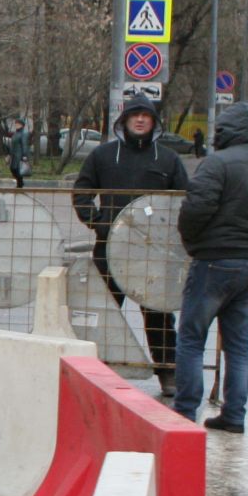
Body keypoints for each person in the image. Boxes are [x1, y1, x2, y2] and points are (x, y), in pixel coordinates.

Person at [171, 102, 248, 432]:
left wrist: (194, 243)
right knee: (238, 345)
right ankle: (235, 415)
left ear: (227, 131)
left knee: (192, 338)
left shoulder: (217, 164)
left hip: (213, 262)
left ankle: (183, 414)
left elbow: (195, 210)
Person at [73, 95, 190, 394]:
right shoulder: (103, 156)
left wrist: (173, 239)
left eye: (146, 116)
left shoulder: (167, 159)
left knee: (159, 315)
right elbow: (82, 192)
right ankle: (94, 370)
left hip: (154, 254)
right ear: (123, 120)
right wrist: (98, 222)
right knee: (105, 310)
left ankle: (168, 373)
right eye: (134, 115)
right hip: (110, 249)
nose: (140, 120)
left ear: (154, 122)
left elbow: (185, 201)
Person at [8, 117, 31, 189]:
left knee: (18, 170)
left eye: (18, 124)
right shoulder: (15, 133)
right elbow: (12, 144)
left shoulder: (24, 133)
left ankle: (20, 184)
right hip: (14, 155)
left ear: (22, 125)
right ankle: (20, 182)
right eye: (16, 124)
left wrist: (24, 155)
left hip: (19, 155)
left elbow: (25, 144)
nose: (16, 125)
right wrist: (9, 154)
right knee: (13, 169)